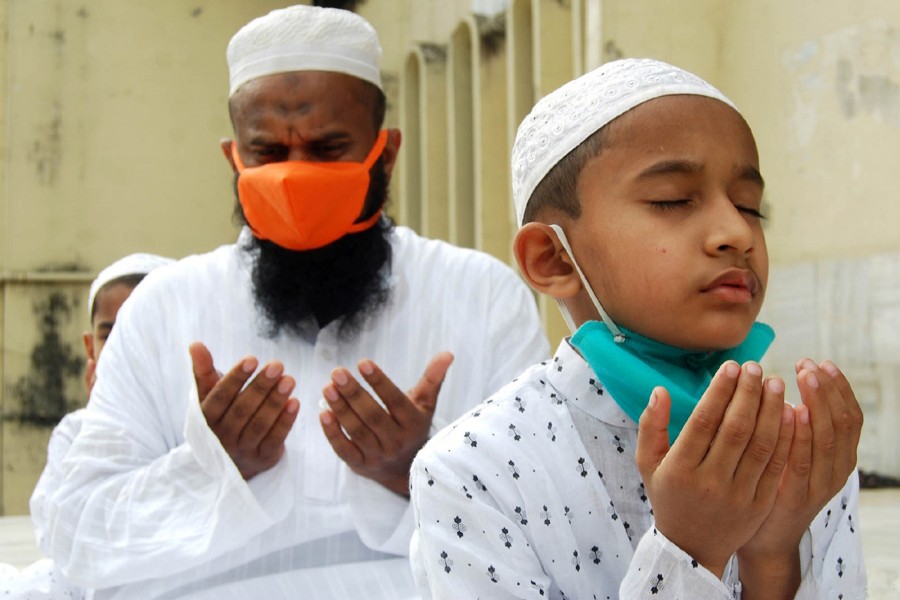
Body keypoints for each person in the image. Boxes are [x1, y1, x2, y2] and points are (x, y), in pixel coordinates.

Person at [36, 5, 549, 599]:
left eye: (328, 149)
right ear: (234, 159)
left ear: (384, 154)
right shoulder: (163, 308)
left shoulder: (481, 296)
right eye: (269, 153)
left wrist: (414, 473)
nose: (295, 176)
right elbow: (75, 537)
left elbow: (545, 519)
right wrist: (216, 469)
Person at [409, 58, 866, 599]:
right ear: (553, 258)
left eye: (749, 206)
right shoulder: (476, 469)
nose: (736, 231)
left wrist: (773, 558)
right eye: (672, 199)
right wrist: (689, 549)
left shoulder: (800, 451)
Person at [3, 253, 173, 600]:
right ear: (89, 347)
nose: (122, 349)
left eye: (138, 333)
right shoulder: (76, 429)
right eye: (109, 335)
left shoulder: (193, 424)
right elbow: (56, 533)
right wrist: (104, 420)